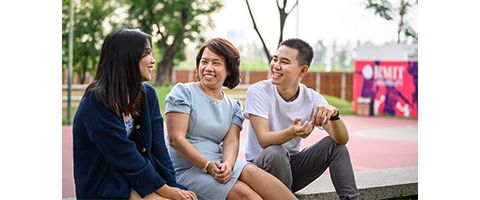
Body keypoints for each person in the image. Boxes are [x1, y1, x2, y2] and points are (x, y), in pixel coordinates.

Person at [165, 38, 297, 200]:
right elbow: (175, 139)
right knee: (246, 195)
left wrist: (227, 164)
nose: (208, 68)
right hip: (187, 169)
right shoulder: (182, 92)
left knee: (252, 171)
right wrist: (207, 166)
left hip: (218, 164)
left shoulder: (233, 106)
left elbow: (231, 142)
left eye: (216, 63)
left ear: (229, 69)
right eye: (204, 61)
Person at [73, 28, 196, 200]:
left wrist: (173, 186)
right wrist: (168, 191)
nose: (153, 60)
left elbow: (158, 149)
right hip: (106, 183)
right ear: (127, 57)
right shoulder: (96, 102)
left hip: (138, 177)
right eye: (147, 53)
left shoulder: (148, 95)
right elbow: (124, 156)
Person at [243, 38, 359, 200]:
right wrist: (292, 132)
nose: (276, 65)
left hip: (291, 168)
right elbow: (264, 139)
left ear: (302, 70)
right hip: (259, 170)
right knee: (276, 152)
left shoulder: (311, 98)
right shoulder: (259, 91)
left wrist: (334, 115)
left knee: (335, 146)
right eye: (275, 59)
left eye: (284, 62)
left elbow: (342, 139)